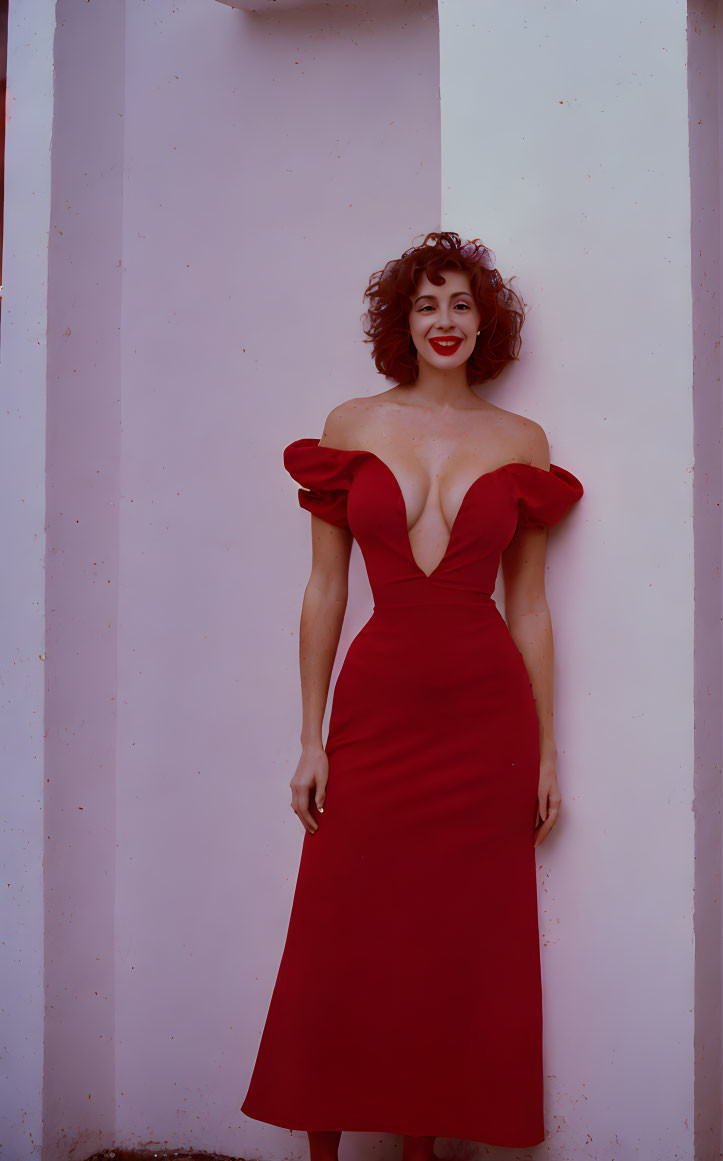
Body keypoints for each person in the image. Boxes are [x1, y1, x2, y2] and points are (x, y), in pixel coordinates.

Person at [241, 231, 583, 1161]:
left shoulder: (522, 442)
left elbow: (532, 610)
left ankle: (420, 1150)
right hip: (377, 708)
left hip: (485, 721)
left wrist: (547, 749)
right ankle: (324, 1150)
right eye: (427, 304)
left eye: (462, 305)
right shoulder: (350, 425)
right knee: (341, 930)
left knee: (449, 941)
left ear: (487, 324)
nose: (445, 321)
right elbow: (323, 591)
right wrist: (310, 738)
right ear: (402, 321)